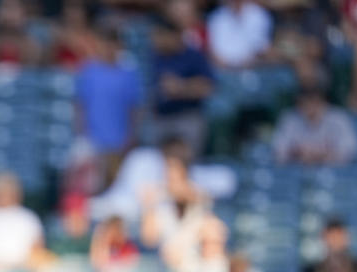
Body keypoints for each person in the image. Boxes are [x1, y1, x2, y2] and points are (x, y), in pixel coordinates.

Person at [75, 25, 143, 177]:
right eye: (105, 43)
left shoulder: (129, 75)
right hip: (93, 143)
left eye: (113, 43)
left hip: (119, 144)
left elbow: (135, 109)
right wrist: (82, 136)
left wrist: (131, 137)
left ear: (120, 46)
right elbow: (80, 106)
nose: (108, 48)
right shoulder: (89, 71)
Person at [150, 16, 214, 156]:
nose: (156, 40)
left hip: (187, 118)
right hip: (161, 119)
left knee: (188, 164)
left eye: (160, 35)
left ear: (174, 35)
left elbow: (208, 88)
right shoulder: (155, 57)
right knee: (160, 167)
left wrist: (181, 87)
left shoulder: (193, 56)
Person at [273, 86, 357, 166]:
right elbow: (278, 150)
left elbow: (351, 149)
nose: (309, 107)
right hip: (299, 170)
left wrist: (323, 154)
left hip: (333, 171)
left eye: (312, 102)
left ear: (322, 102)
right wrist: (297, 152)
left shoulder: (338, 118)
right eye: (303, 103)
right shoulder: (290, 119)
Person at [207, 0, 273, 69]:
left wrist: (248, 62)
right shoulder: (216, 17)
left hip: (252, 67)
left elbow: (261, 47)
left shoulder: (260, 15)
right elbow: (212, 50)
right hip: (222, 69)